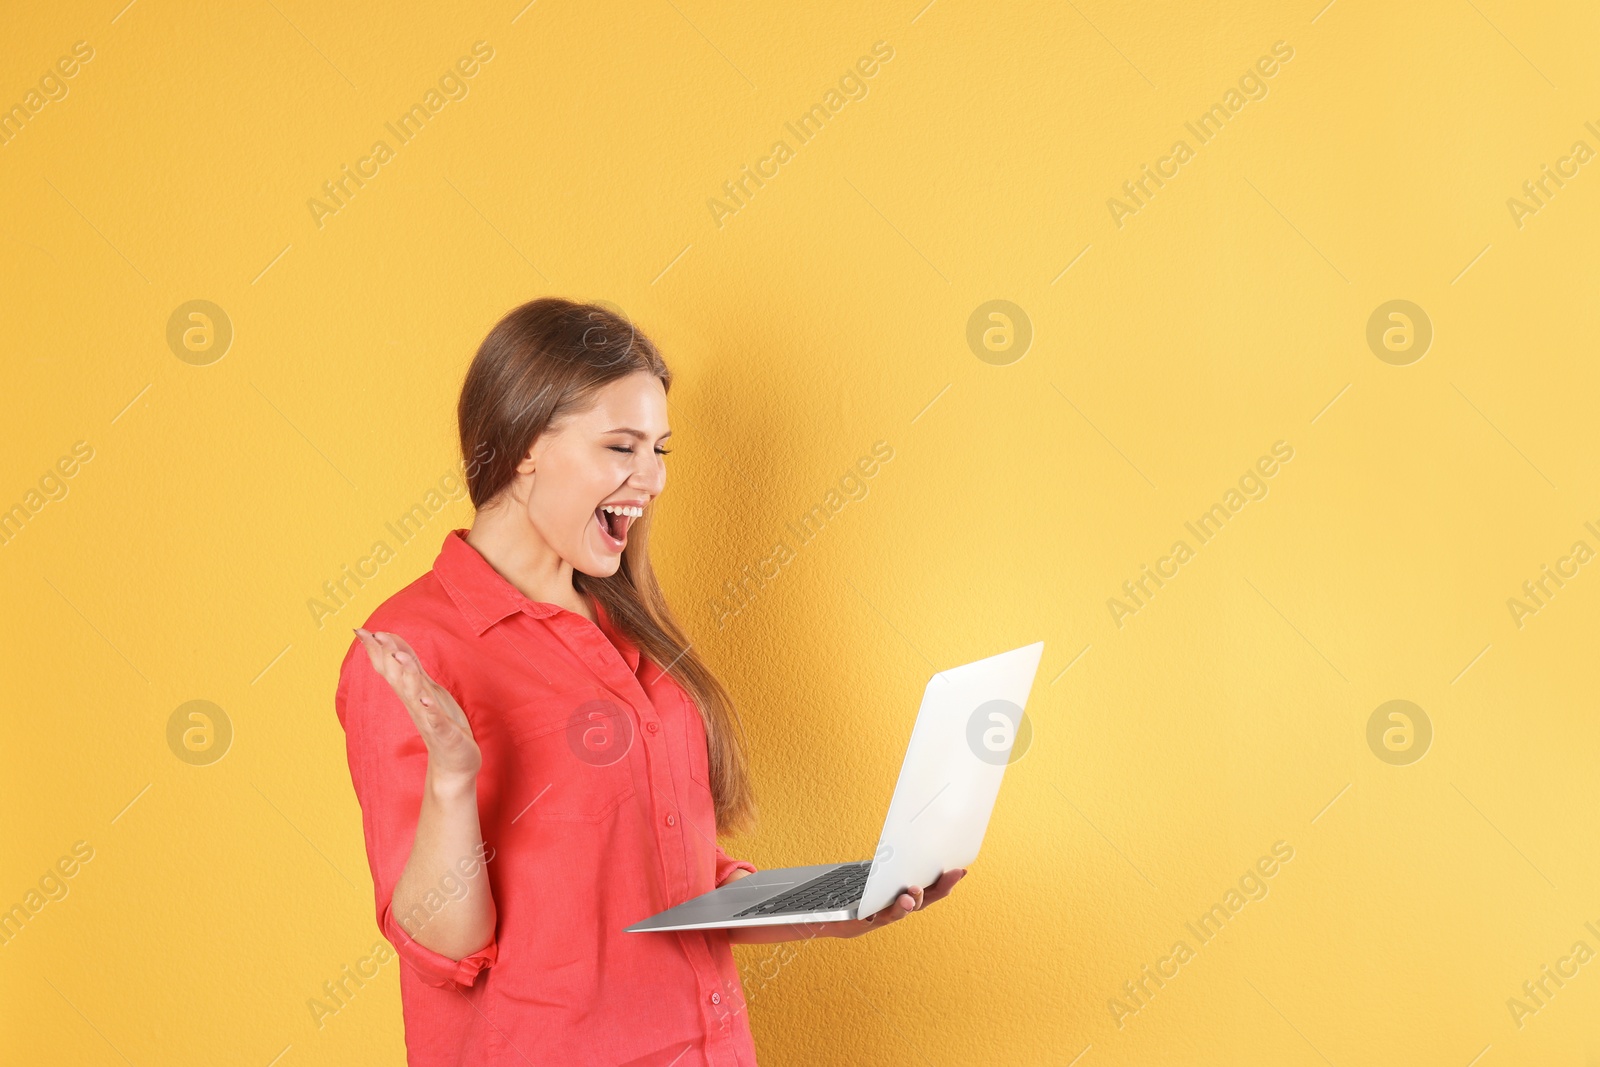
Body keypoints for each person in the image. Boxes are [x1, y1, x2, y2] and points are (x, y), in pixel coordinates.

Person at [334, 297, 966, 1065]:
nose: (653, 478)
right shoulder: (416, 648)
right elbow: (443, 949)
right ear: (528, 445)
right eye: (622, 446)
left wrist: (838, 905)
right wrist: (452, 780)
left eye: (661, 449)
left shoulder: (626, 625)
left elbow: (677, 880)